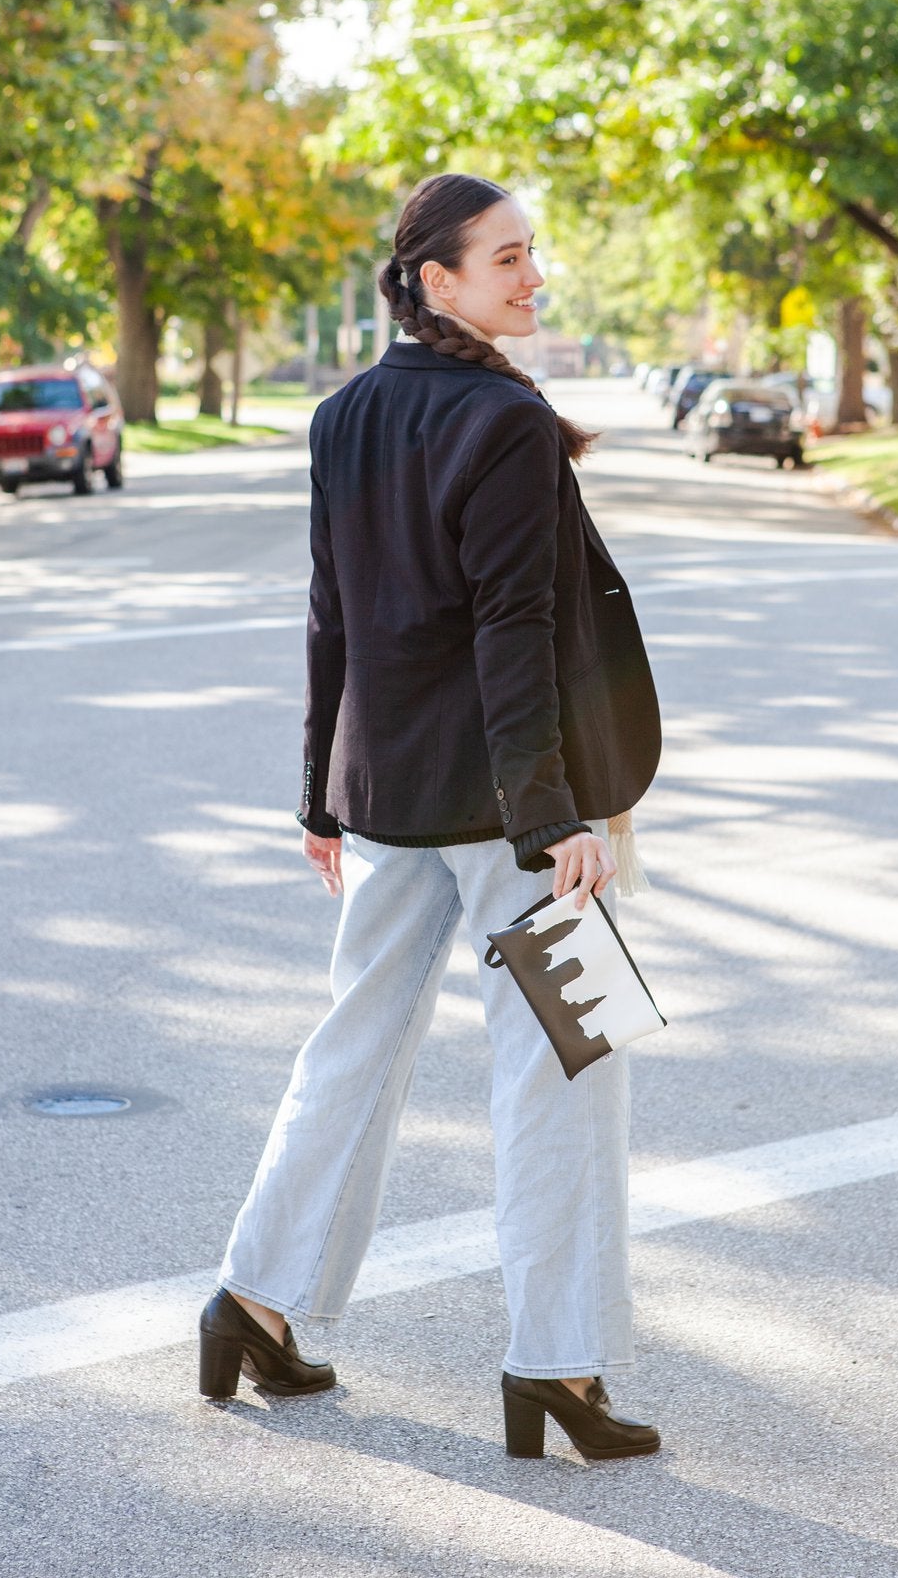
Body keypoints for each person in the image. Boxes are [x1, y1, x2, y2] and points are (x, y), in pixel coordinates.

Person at [199, 174, 662, 1461]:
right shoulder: (505, 421)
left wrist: (316, 798)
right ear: (436, 280)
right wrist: (555, 815)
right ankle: (557, 1371)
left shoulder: (341, 415)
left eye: (532, 253)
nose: (531, 276)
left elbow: (327, 621)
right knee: (572, 1069)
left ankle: (257, 1301)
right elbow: (511, 631)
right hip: (520, 816)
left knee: (349, 1055)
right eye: (507, 258)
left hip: (389, 803)